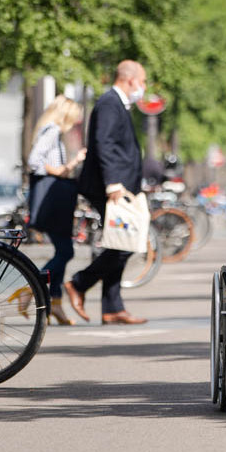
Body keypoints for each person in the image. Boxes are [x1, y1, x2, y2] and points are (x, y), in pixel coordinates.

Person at [66, 60, 149, 325]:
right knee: (125, 242)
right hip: (111, 187)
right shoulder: (109, 103)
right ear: (131, 79)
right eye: (143, 81)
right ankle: (79, 283)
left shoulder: (116, 103)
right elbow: (104, 143)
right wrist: (113, 183)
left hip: (120, 187)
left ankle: (112, 307)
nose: (144, 88)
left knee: (119, 240)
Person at [27, 95, 86, 325]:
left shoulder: (49, 130)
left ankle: (56, 304)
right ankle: (31, 286)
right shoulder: (52, 130)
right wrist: (64, 168)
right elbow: (34, 161)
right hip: (53, 198)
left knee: (63, 250)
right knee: (65, 252)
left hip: (54, 198)